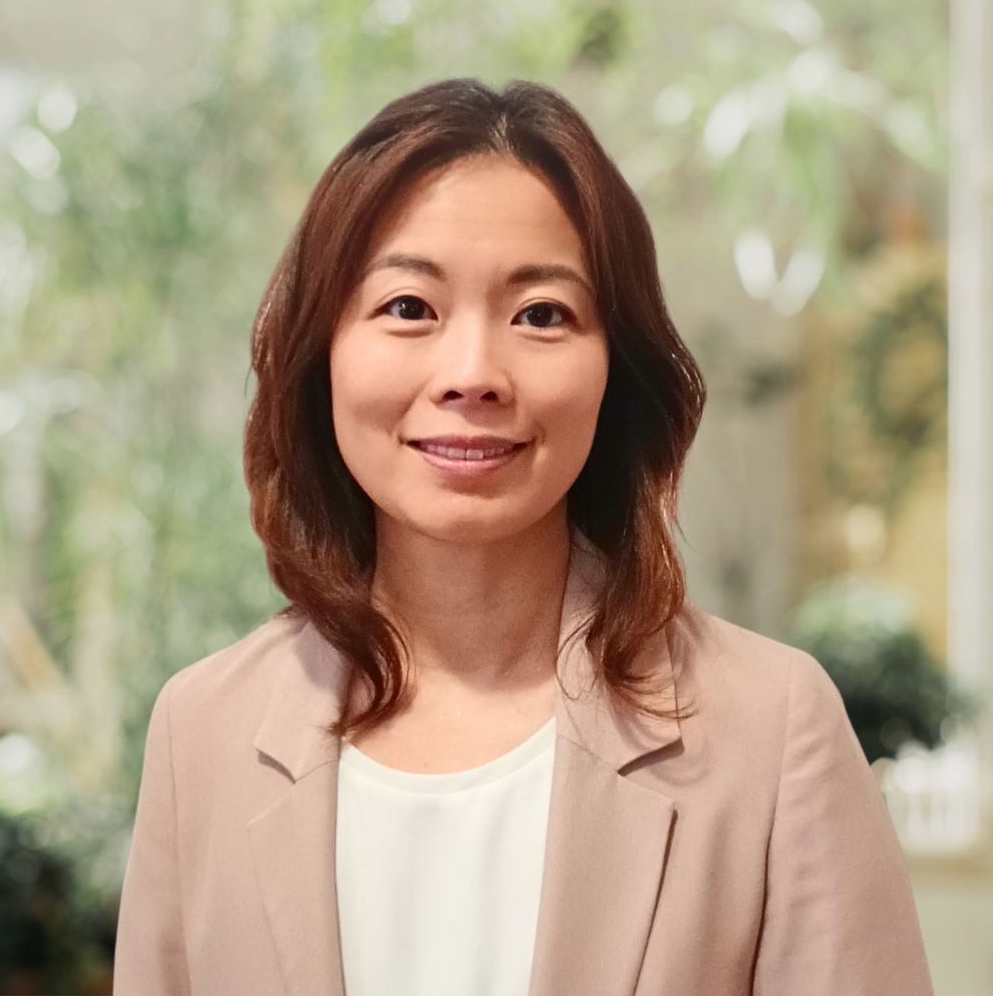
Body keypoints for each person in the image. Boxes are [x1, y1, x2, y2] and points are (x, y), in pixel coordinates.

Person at [112, 77, 935, 996]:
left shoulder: (771, 729)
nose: (473, 374)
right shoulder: (203, 733)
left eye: (542, 314)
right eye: (409, 307)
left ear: (615, 372)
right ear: (322, 355)